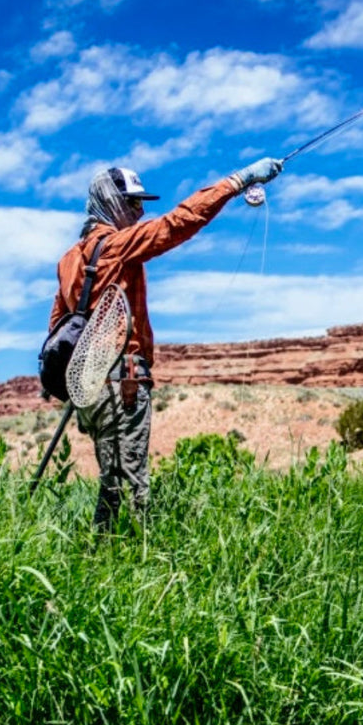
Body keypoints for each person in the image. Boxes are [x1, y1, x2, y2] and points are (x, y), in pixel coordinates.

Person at [49, 158, 282, 529]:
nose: (141, 211)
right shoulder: (118, 246)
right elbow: (178, 223)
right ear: (110, 201)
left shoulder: (68, 260)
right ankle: (139, 562)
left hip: (87, 389)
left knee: (112, 484)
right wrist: (238, 180)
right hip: (121, 381)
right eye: (133, 203)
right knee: (133, 486)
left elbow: (58, 326)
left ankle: (98, 559)